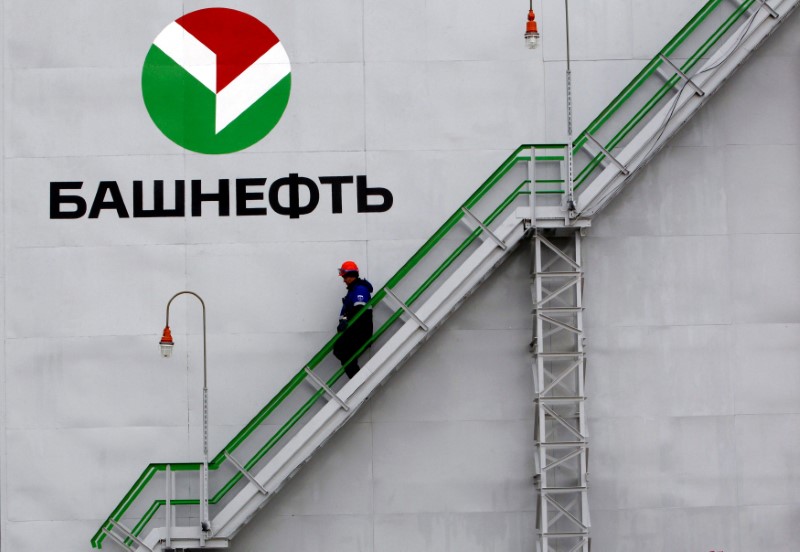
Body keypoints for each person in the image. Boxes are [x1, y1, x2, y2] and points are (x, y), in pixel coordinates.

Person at [333, 260, 374, 378]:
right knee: (342, 351)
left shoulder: (360, 290)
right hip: (355, 331)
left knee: (341, 349)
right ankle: (358, 383)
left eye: (345, 277)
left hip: (360, 331)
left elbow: (359, 310)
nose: (344, 280)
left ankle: (359, 383)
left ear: (351, 276)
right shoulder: (353, 290)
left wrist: (345, 320)